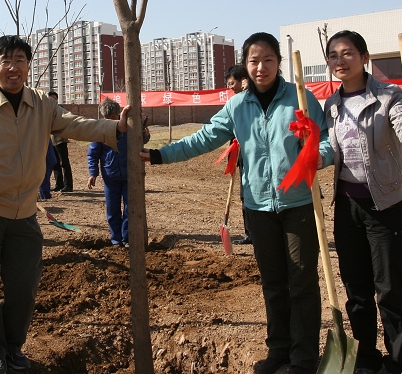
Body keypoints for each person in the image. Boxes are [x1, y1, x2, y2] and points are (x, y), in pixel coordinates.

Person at [140, 32, 332, 374]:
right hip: (258, 207)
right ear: (246, 64)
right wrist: (159, 155)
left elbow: (327, 138)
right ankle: (279, 352)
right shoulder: (237, 105)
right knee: (273, 284)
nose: (261, 67)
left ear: (278, 62)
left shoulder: (300, 98)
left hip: (299, 204)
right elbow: (204, 138)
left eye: (268, 60)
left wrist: (321, 155)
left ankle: (304, 359)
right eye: (254, 61)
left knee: (302, 283)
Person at [0, 35, 130, 374]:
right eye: (6, 60)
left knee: (24, 286)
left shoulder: (41, 103)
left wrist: (114, 128)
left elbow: (74, 124)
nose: (13, 67)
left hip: (25, 211)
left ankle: (13, 347)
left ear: (28, 65)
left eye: (20, 60)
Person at [324, 30, 402, 374]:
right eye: (333, 55)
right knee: (356, 289)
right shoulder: (331, 104)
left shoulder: (388, 96)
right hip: (347, 208)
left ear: (364, 57)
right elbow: (329, 150)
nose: (340, 61)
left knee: (390, 289)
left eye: (347, 53)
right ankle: (366, 359)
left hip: (385, 207)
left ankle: (401, 362)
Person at [87, 98, 150, 247]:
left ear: (119, 115)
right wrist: (93, 173)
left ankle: (127, 238)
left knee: (130, 208)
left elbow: (143, 139)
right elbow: (93, 154)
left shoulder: (129, 127)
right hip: (110, 177)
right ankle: (116, 239)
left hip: (130, 175)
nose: (111, 122)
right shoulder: (100, 131)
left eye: (114, 118)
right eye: (107, 119)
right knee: (112, 209)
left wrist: (144, 131)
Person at [225, 64, 252, 245]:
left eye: (232, 83)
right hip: (242, 155)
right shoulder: (235, 103)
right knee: (245, 194)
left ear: (244, 81)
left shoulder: (253, 100)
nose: (230, 88)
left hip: (255, 156)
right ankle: (250, 233)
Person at [48, 91, 74, 192]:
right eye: (51, 99)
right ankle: (59, 184)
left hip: (60, 140)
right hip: (51, 140)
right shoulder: (46, 110)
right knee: (55, 163)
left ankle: (68, 185)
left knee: (64, 162)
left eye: (55, 99)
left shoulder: (60, 109)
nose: (53, 101)